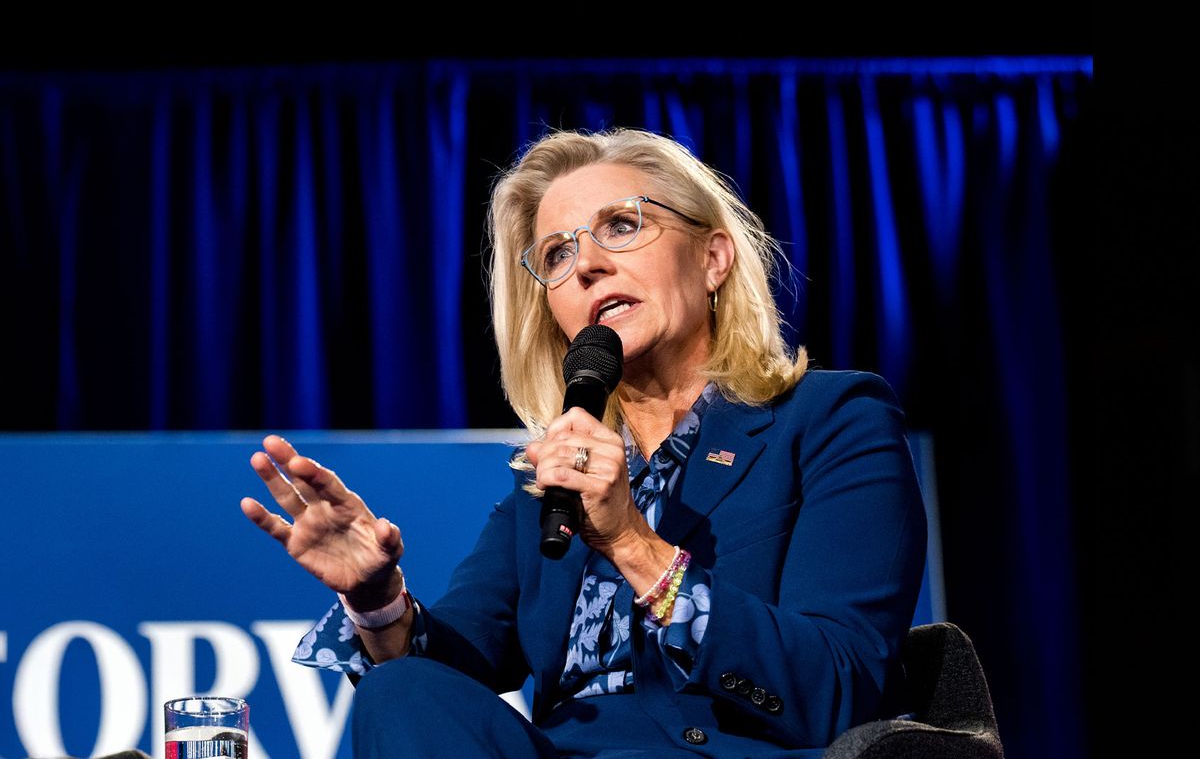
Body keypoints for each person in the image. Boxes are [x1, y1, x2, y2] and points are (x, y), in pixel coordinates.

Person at [241, 128, 927, 758]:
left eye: (621, 226)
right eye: (558, 253)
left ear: (714, 258)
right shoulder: (552, 477)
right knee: (402, 692)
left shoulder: (831, 419)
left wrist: (632, 542)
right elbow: (442, 683)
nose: (587, 265)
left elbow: (839, 688)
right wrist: (378, 600)